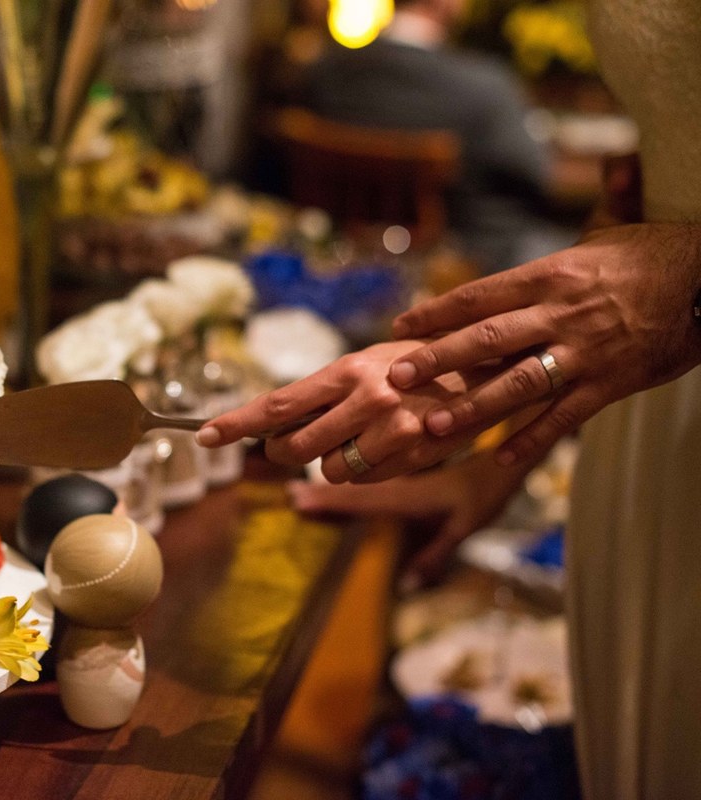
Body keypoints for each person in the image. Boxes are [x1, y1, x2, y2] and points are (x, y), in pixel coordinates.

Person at [201, 0, 701, 795]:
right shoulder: (485, 89)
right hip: (639, 409)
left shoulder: (332, 71)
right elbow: (648, 174)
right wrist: (500, 449)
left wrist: (681, 286)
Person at [277, 0, 574, 273]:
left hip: (337, 264)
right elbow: (540, 176)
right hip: (467, 273)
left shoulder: (324, 72)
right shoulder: (487, 88)